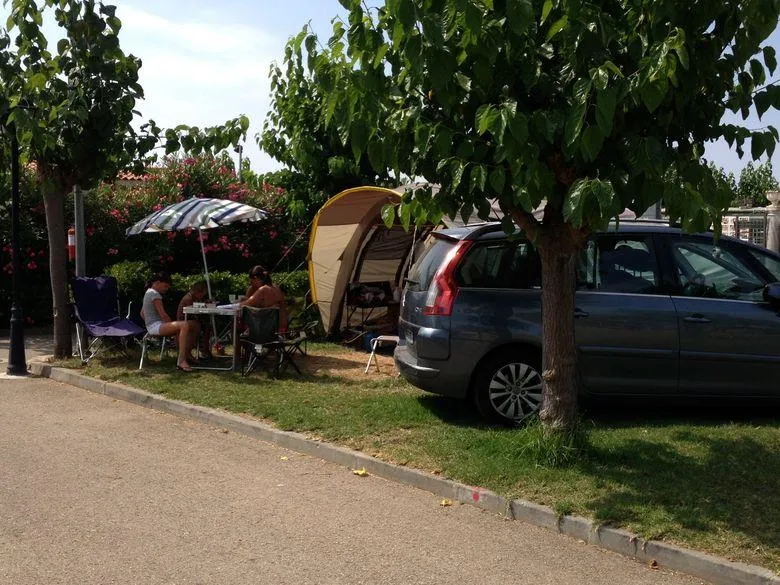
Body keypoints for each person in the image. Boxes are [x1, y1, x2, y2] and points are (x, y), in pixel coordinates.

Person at [142, 271, 200, 372]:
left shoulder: (148, 292)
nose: (166, 289)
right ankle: (182, 361)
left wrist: (149, 324)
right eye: (165, 286)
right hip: (156, 327)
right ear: (158, 282)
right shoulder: (155, 294)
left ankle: (186, 353)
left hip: (153, 326)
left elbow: (142, 313)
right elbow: (163, 315)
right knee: (184, 325)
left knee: (194, 325)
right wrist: (169, 326)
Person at [239, 265, 288, 332]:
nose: (251, 285)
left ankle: (236, 342)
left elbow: (244, 305)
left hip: (268, 332)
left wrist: (237, 302)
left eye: (251, 282)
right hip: (282, 329)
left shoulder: (263, 289)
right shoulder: (275, 287)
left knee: (237, 325)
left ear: (256, 278)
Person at [176, 280, 213, 360]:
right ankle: (191, 352)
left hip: (191, 320)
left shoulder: (193, 297)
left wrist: (205, 303)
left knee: (207, 326)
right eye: (202, 294)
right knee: (201, 326)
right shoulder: (188, 299)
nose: (203, 295)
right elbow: (193, 312)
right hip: (184, 321)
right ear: (198, 292)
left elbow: (197, 306)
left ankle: (205, 350)